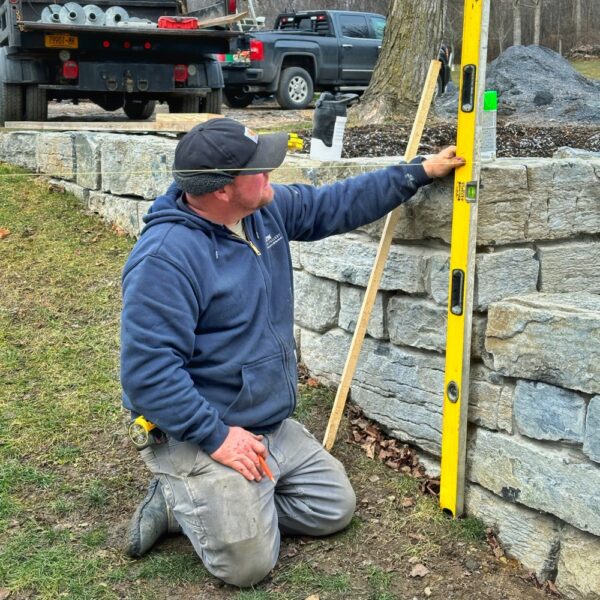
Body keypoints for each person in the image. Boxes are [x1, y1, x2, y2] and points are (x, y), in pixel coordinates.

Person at [120, 117, 464, 587]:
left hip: (265, 423)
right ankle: (179, 492)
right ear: (222, 191)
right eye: (258, 169)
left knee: (332, 508)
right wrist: (218, 437)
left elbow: (333, 203)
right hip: (202, 430)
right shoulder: (165, 259)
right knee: (248, 565)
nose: (271, 176)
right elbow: (148, 375)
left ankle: (210, 504)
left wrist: (417, 172)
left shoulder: (261, 210)